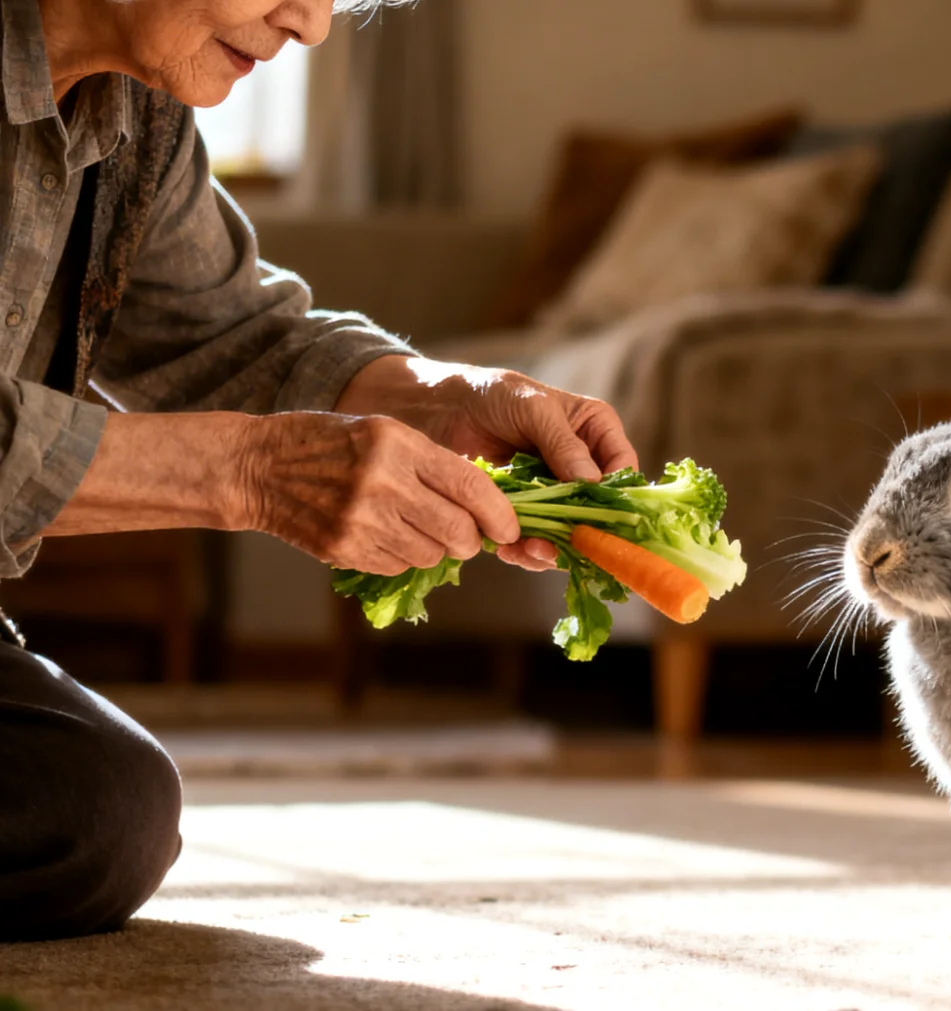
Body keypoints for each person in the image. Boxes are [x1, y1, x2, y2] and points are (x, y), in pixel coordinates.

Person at [0, 0, 636, 941]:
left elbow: (228, 334)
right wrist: (251, 472)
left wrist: (443, 395)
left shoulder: (139, 115)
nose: (312, 25)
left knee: (101, 812)